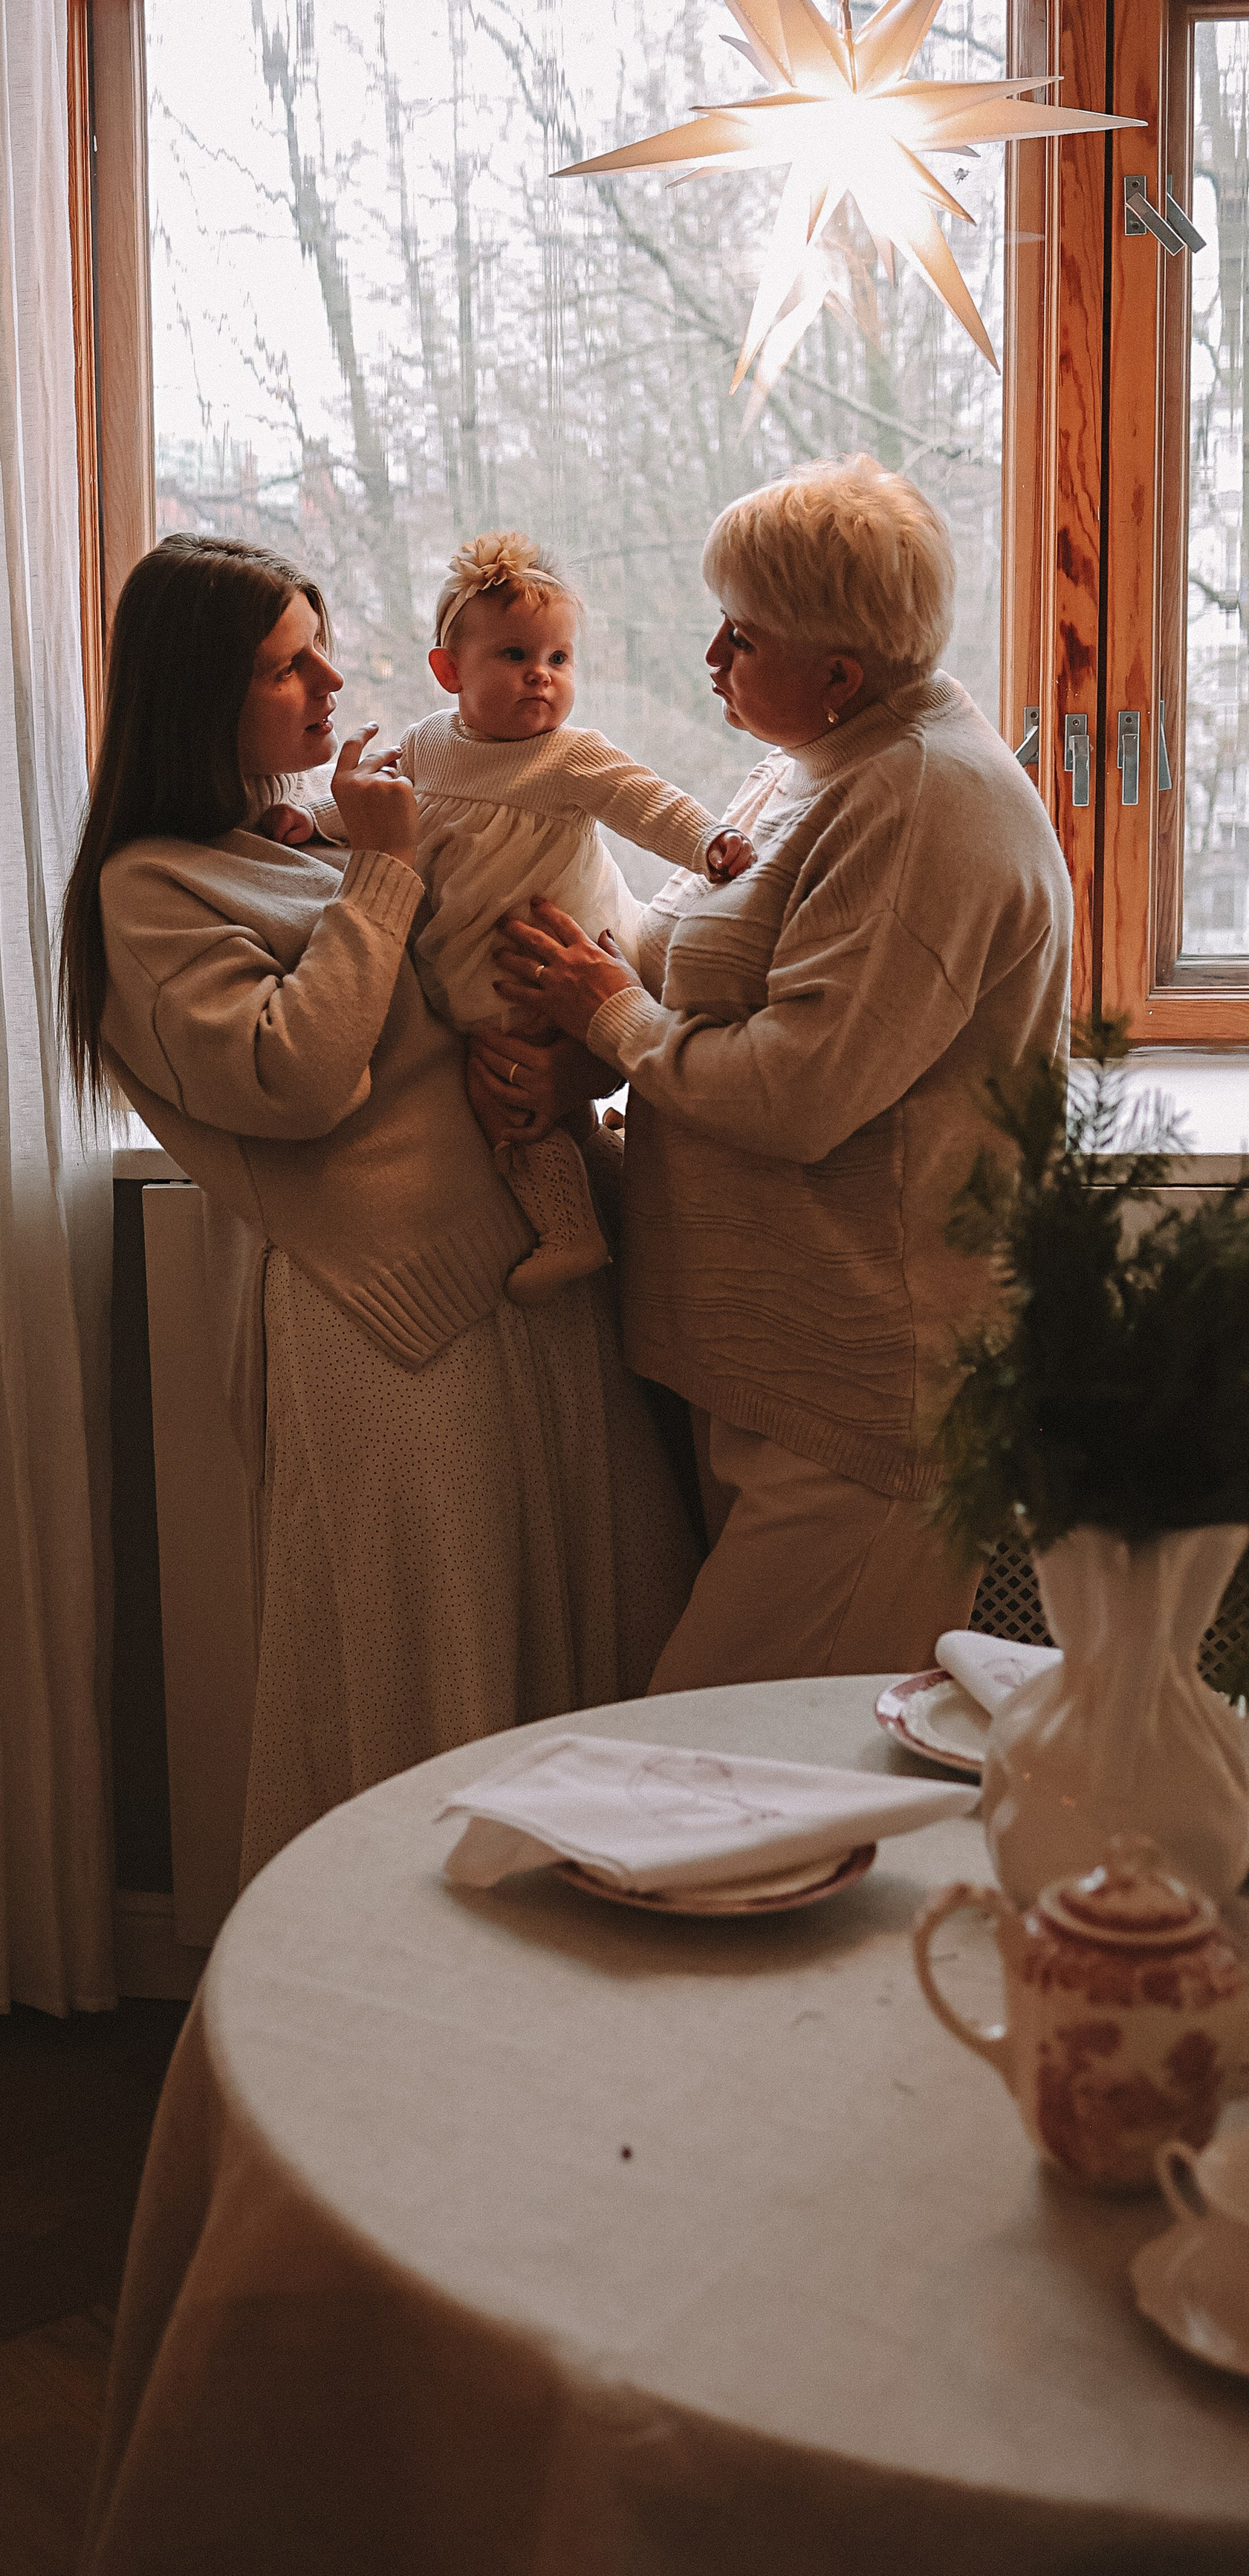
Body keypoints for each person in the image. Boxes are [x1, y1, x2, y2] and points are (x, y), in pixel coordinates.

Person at [60, 533, 697, 1879]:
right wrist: (388, 870)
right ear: (202, 693)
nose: (332, 685)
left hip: (536, 1278)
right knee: (432, 1690)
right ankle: (400, 1983)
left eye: (324, 651)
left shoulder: (297, 841)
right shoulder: (149, 891)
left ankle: (588, 1970)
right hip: (394, 1328)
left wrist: (570, 1067)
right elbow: (298, 1077)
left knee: (600, 1650)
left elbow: (472, 1007)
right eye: (289, 666)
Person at [484, 454, 1072, 1692]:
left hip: (867, 1397)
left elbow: (798, 1091)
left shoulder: (926, 802)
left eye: (741, 636)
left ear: (840, 671)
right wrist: (566, 1023)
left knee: (720, 1756)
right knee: (755, 1765)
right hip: (766, 1364)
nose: (711, 658)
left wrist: (609, 1023)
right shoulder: (811, 761)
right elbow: (672, 955)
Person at [260, 528, 753, 1299]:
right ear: (449, 671)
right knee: (509, 1089)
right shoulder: (429, 744)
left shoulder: (569, 755)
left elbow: (646, 801)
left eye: (559, 658)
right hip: (479, 957)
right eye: (516, 656)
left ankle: (569, 1230)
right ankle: (597, 1169)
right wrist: (313, 820)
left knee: (503, 1095)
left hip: (557, 956)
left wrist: (710, 842)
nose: (541, 676)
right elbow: (383, 806)